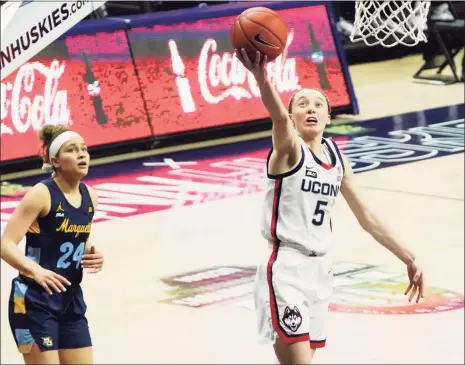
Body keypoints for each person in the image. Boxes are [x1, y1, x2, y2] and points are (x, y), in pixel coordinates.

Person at [234, 49, 426, 364]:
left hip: (321, 272)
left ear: (328, 116)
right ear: (293, 117)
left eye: (318, 104)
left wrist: (410, 257)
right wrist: (261, 76)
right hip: (286, 269)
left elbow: (368, 218)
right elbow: (278, 117)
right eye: (302, 104)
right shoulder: (288, 151)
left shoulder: (336, 158)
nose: (311, 109)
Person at [0, 124, 104, 364]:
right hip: (32, 301)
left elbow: (73, 237)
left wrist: (91, 252)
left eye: (84, 149)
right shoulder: (41, 194)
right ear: (55, 161)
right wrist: (35, 270)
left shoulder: (91, 196)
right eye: (72, 150)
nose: (81, 154)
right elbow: (5, 243)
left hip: (71, 299)